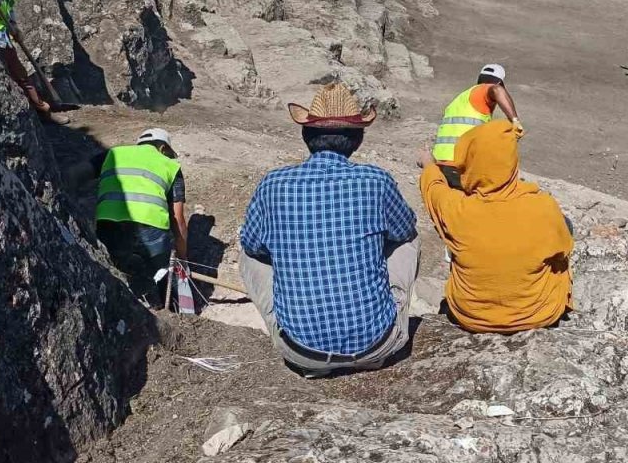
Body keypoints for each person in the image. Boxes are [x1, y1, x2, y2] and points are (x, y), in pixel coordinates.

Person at [240, 83, 420, 377]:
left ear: (307, 136)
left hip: (302, 354)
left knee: (247, 253)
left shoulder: (273, 183)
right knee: (410, 237)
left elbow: (252, 245)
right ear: (357, 140)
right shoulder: (376, 180)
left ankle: (301, 333)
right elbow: (403, 231)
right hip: (377, 346)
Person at [420, 120, 573, 333]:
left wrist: (428, 164)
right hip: (538, 315)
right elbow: (563, 252)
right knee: (563, 229)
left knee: (455, 240)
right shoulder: (543, 206)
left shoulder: (456, 207)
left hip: (471, 317)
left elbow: (433, 187)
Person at [89, 128, 189, 305]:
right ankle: (180, 311)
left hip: (108, 223)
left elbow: (76, 174)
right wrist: (182, 257)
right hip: (151, 224)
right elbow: (178, 218)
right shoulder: (170, 165)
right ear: (163, 148)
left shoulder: (112, 154)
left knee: (114, 265)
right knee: (165, 272)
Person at [432, 64, 522, 190]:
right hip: (460, 165)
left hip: (441, 163)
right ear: (499, 83)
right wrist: (515, 121)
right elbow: (496, 90)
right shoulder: (485, 90)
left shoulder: (462, 99)